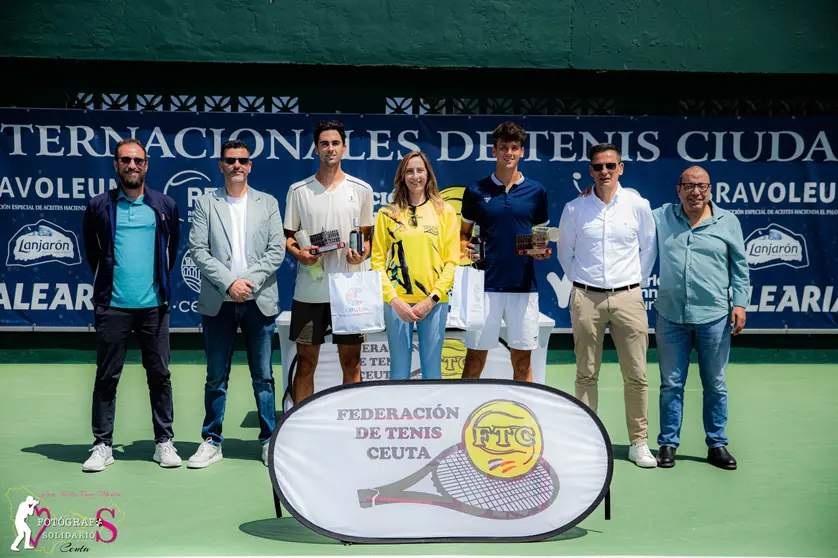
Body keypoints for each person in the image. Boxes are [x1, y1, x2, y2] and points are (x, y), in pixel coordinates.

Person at [81, 138, 181, 472]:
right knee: (107, 377)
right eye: (126, 160)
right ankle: (102, 445)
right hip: (113, 307)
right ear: (116, 165)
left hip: (154, 307)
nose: (132, 166)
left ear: (147, 165)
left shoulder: (164, 204)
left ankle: (164, 442)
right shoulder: (99, 206)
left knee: (160, 376)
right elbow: (92, 253)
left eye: (138, 160)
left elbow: (171, 250)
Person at [557, 142, 658, 468]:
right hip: (586, 297)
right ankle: (587, 442)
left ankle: (639, 443)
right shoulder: (575, 208)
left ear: (621, 169)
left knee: (636, 374)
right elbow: (565, 254)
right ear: (591, 170)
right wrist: (586, 285)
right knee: (586, 373)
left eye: (610, 166)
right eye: (598, 167)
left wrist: (629, 285)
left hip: (628, 296)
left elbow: (648, 249)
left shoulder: (638, 205)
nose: (604, 172)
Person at [187, 139, 285, 468]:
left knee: (264, 377)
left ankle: (269, 440)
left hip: (259, 301)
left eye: (243, 160)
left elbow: (276, 251)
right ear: (221, 165)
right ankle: (212, 441)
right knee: (216, 376)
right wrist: (230, 282)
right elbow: (198, 250)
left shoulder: (268, 203)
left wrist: (248, 283)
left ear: (250, 165)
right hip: (219, 301)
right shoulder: (206, 204)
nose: (237, 166)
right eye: (231, 160)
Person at [653, 166, 749, 470]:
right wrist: (593, 192)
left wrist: (741, 304)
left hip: (714, 316)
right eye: (690, 186)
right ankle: (668, 443)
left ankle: (717, 444)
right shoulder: (660, 217)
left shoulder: (727, 222)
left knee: (715, 384)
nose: (696, 192)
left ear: (711, 189)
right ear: (678, 189)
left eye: (702, 186)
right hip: (670, 316)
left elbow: (740, 267)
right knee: (670, 384)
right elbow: (625, 209)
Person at [284, 120, 374, 403]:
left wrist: (362, 253)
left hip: (349, 292)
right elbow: (288, 238)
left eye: (335, 143)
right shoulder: (299, 190)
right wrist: (300, 254)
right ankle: (299, 427)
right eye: (324, 143)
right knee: (306, 363)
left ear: (344, 148)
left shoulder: (361, 189)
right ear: (316, 149)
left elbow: (367, 238)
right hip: (311, 291)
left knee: (352, 364)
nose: (330, 148)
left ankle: (351, 426)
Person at [460, 121, 550, 382]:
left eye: (514, 148)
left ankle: (525, 417)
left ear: (522, 151)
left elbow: (540, 237)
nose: (508, 153)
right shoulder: (476, 191)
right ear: (494, 151)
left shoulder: (537, 192)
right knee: (475, 360)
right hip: (484, 287)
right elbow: (463, 236)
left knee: (522, 363)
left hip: (523, 287)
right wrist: (465, 248)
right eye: (503, 148)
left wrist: (540, 250)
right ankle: (465, 413)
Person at [370, 151, 459, 380]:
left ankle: (432, 416)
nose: (415, 176)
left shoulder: (445, 212)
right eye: (409, 171)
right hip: (397, 303)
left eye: (420, 170)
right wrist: (394, 300)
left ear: (428, 175)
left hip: (434, 302)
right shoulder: (387, 214)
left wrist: (433, 299)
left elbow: (451, 261)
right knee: (399, 371)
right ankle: (398, 415)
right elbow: (377, 262)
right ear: (402, 176)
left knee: (432, 372)